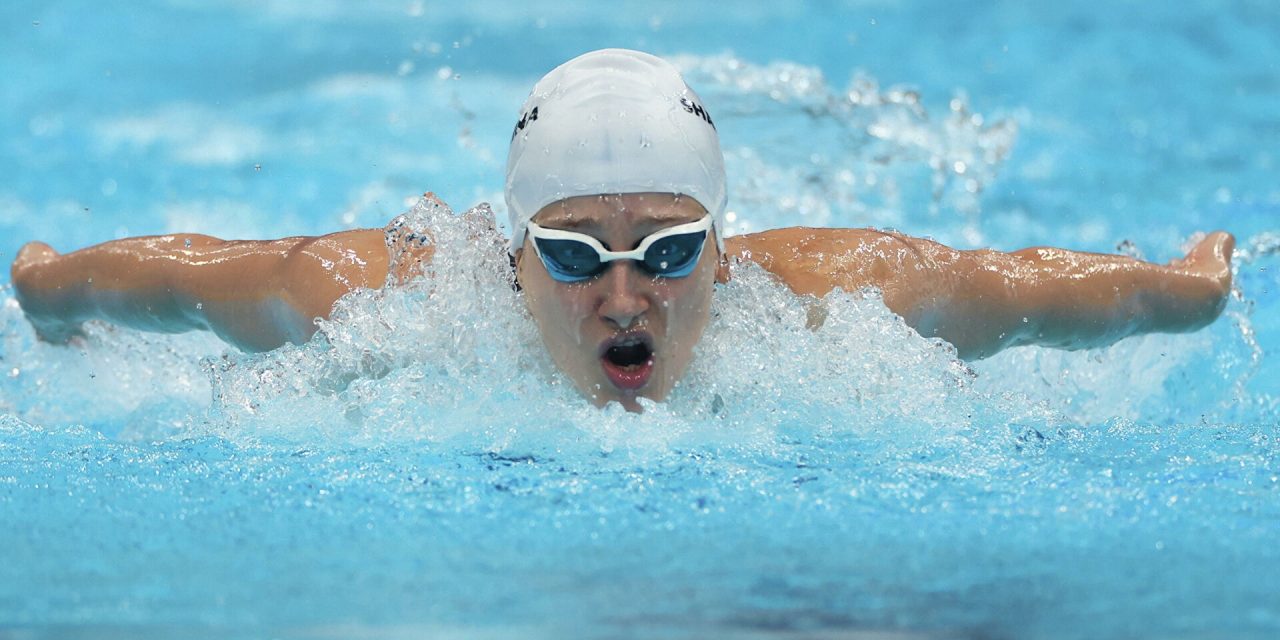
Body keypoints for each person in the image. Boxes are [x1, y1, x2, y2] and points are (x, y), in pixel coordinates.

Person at [8, 49, 1234, 412]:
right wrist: (52, 287)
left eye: (666, 248)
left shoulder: (824, 299)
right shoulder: (372, 300)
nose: (623, 296)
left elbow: (1024, 287)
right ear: (509, 254)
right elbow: (175, 279)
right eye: (572, 253)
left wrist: (1186, 287)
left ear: (721, 242)